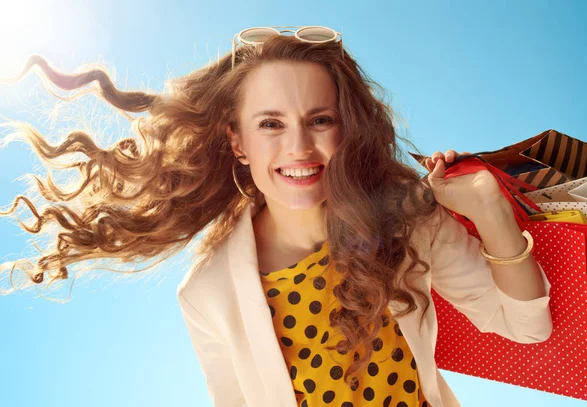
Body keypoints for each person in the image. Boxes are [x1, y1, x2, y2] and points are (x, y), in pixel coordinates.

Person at [0, 26, 552, 407]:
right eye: (270, 124)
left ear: (347, 128)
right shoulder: (209, 291)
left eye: (319, 120)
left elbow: (526, 329)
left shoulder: (406, 220)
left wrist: (487, 206)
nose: (299, 148)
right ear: (236, 141)